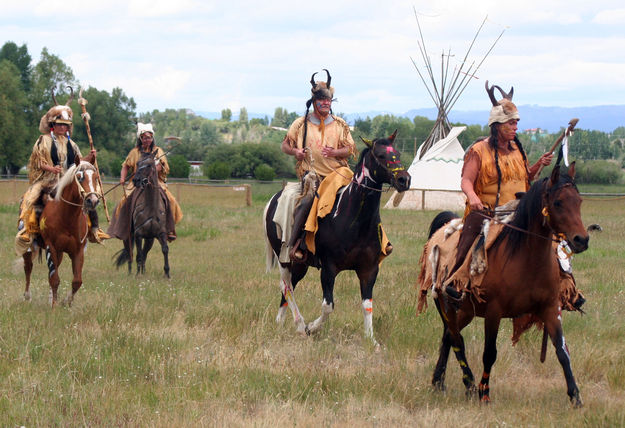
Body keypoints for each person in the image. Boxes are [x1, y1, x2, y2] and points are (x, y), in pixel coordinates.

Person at [447, 81, 584, 310]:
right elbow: (466, 180)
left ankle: (567, 290)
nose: (515, 127)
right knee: (477, 241)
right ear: (497, 125)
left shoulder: (517, 149)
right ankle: (457, 282)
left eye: (517, 123)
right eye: (511, 123)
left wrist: (539, 164)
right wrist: (473, 197)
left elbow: (525, 178)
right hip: (487, 212)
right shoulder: (479, 151)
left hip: (518, 211)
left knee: (555, 241)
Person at [281, 69, 357, 262]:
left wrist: (334, 153)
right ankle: (297, 243)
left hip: (338, 174)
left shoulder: (341, 125)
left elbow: (350, 149)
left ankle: (369, 241)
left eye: (329, 100)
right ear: (314, 102)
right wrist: (296, 152)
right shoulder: (300, 124)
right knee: (307, 200)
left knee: (360, 196)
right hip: (312, 175)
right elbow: (285, 145)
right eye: (322, 100)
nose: (325, 103)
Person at [15, 100, 109, 255]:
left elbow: (78, 162)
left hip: (68, 180)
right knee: (30, 198)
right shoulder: (43, 140)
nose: (63, 128)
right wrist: (51, 168)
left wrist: (90, 157)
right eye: (59, 124)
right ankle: (27, 230)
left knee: (89, 196)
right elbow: (38, 161)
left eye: (66, 125)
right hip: (47, 180)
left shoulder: (71, 144)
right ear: (53, 125)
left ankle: (94, 229)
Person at [107, 123, 182, 242]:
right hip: (137, 181)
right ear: (140, 138)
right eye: (145, 137)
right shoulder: (134, 152)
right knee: (123, 201)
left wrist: (158, 168)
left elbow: (165, 168)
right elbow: (125, 166)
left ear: (152, 138)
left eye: (149, 137)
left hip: (155, 181)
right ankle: (124, 227)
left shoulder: (158, 151)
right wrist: (122, 178)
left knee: (171, 200)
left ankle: (168, 229)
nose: (147, 140)